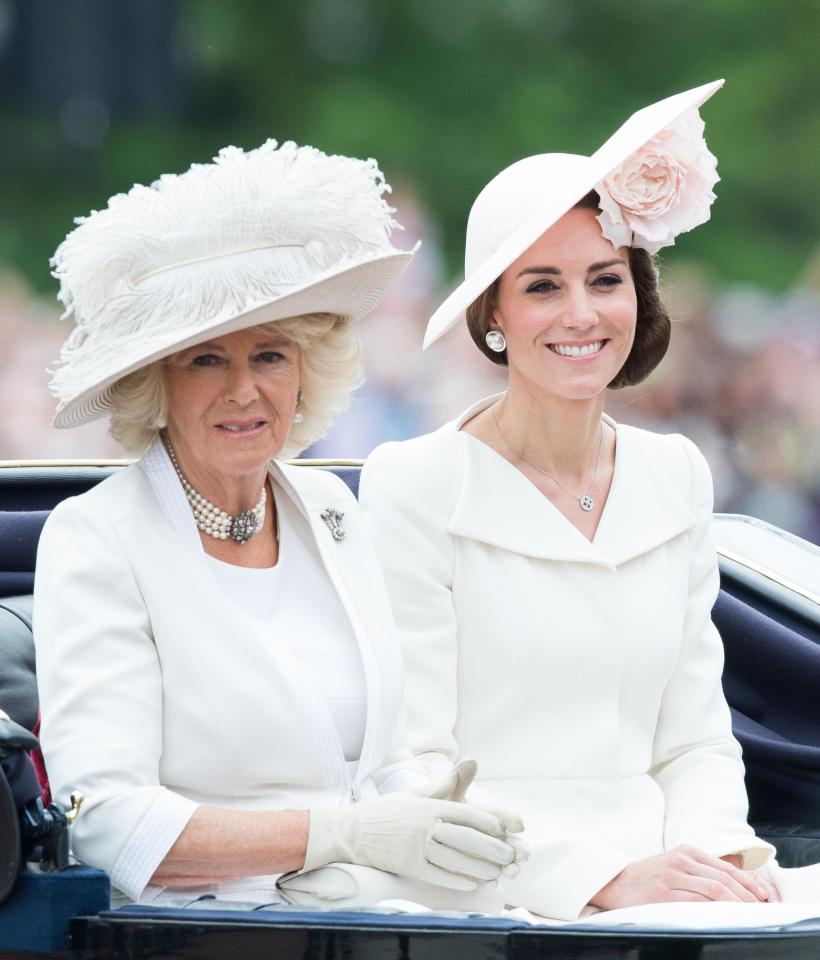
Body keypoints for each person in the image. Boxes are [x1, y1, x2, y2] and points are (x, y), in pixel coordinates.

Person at [33, 140, 526, 907]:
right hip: (210, 930)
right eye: (205, 360)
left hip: (372, 910)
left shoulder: (330, 509)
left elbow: (383, 762)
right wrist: (343, 833)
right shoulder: (96, 538)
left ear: (305, 374)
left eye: (269, 355)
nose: (243, 390)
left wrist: (435, 816)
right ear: (154, 383)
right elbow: (108, 823)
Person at [359, 81, 785, 921]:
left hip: (674, 902)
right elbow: (412, 768)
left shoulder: (677, 474)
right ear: (494, 316)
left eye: (605, 278)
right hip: (494, 902)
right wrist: (600, 883)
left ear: (639, 295)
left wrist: (722, 863)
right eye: (543, 286)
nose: (582, 313)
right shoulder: (415, 484)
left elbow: (696, 737)